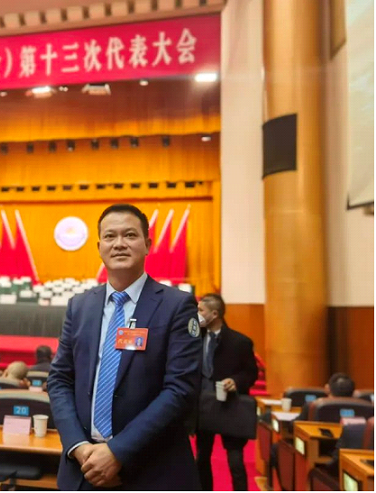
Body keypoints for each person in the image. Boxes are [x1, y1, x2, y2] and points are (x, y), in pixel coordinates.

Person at [48, 203, 202, 490]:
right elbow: (59, 380)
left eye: (130, 235)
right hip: (83, 469)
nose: (119, 243)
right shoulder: (79, 306)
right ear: (99, 247)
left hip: (152, 470)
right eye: (110, 236)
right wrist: (79, 446)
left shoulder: (176, 306)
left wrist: (117, 452)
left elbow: (181, 389)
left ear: (148, 245)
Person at [195, 293, 258, 491]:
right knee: (201, 458)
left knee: (235, 461)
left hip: (230, 406)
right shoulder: (194, 338)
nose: (197, 314)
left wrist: (235, 381)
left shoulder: (240, 342)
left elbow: (251, 373)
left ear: (214, 314)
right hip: (203, 406)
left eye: (201, 310)